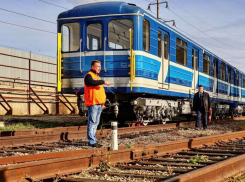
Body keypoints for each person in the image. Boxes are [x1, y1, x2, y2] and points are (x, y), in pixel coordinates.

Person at [84, 60, 110, 147]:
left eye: (100, 66)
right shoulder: (89, 76)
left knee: (96, 122)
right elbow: (90, 83)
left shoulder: (97, 77)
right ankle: (91, 141)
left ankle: (93, 140)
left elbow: (100, 92)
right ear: (92, 67)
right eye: (97, 66)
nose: (99, 68)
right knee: (92, 121)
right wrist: (103, 82)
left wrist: (102, 103)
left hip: (98, 104)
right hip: (93, 103)